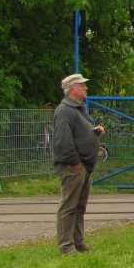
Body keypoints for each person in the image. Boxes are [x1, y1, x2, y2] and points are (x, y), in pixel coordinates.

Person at [52, 73, 105, 254]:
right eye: (82, 85)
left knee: (79, 207)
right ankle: (66, 245)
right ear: (73, 88)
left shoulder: (78, 108)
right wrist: (77, 164)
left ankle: (78, 242)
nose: (86, 88)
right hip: (73, 167)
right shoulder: (65, 110)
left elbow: (79, 133)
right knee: (69, 206)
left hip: (83, 166)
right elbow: (63, 142)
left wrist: (95, 131)